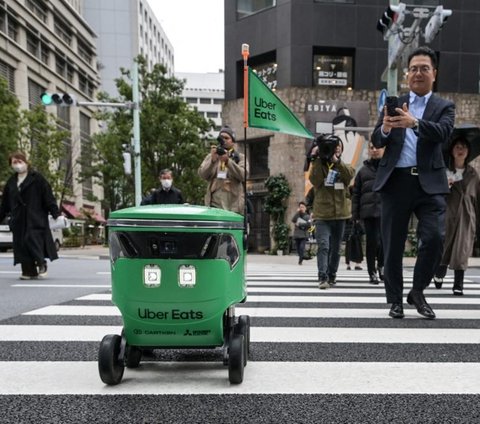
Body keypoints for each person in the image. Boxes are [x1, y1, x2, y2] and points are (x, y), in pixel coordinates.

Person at [371, 46, 455, 319]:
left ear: (434, 74)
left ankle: (417, 291)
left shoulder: (444, 106)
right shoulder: (395, 102)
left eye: (424, 68)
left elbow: (443, 133)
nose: (418, 73)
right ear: (408, 74)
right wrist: (385, 126)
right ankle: (395, 300)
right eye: (414, 69)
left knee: (434, 237)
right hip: (395, 181)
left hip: (429, 183)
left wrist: (414, 123)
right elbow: (377, 139)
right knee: (393, 244)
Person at [0, 151, 62, 280]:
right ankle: (29, 271)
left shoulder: (37, 178)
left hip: (35, 216)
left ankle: (41, 263)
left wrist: (55, 212)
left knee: (31, 238)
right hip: (18, 219)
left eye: (20, 161)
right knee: (21, 244)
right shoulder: (11, 182)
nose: (17, 165)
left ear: (26, 162)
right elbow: (5, 204)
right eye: (14, 162)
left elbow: (48, 196)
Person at [432, 137, 480, 295]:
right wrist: (444, 186)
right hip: (447, 213)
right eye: (458, 147)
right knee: (444, 247)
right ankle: (439, 274)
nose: (461, 150)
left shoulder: (473, 174)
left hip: (466, 216)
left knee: (462, 250)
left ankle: (458, 284)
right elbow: (434, 194)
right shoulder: (445, 171)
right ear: (452, 151)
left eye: (464, 147)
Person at [309, 136, 355, 289]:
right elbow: (314, 181)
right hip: (322, 213)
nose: (336, 149)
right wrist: (316, 158)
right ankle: (322, 277)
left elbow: (349, 176)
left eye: (338, 146)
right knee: (324, 245)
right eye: (333, 147)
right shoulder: (319, 165)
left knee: (335, 248)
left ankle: (332, 275)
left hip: (341, 214)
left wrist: (337, 161)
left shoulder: (344, 165)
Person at [351, 143, 385, 284]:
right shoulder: (363, 171)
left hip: (386, 211)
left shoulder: (389, 168)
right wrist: (355, 215)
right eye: (372, 147)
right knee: (371, 243)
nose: (375, 150)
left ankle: (382, 267)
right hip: (369, 213)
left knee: (384, 243)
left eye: (378, 147)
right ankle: (372, 272)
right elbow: (356, 194)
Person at [198, 126, 246, 214]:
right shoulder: (212, 156)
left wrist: (228, 161)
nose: (224, 140)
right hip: (214, 205)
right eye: (222, 138)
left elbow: (243, 176)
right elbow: (202, 174)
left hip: (233, 205)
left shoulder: (240, 157)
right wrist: (212, 161)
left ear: (233, 141)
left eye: (227, 138)